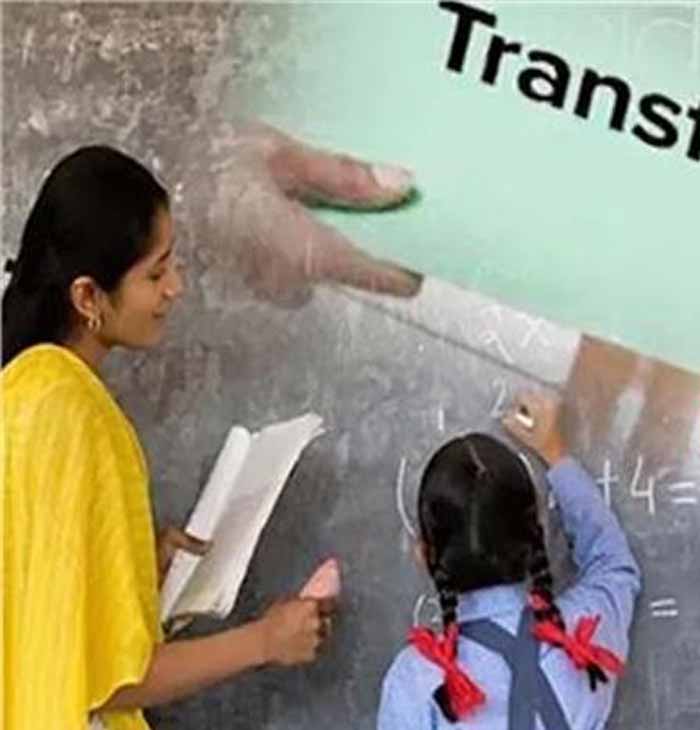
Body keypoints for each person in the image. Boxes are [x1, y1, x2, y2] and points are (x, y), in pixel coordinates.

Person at [2, 143, 397, 730]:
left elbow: (43, 612)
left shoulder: (24, 392)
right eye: (155, 272)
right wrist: (265, 640)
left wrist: (135, 569)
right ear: (87, 297)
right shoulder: (76, 414)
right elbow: (113, 678)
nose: (176, 287)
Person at [377, 392, 642, 730]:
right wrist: (556, 453)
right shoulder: (584, 637)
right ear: (537, 533)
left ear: (424, 553)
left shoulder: (418, 681)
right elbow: (614, 563)